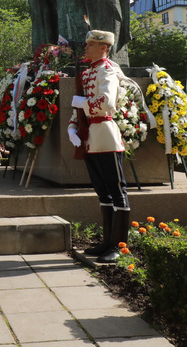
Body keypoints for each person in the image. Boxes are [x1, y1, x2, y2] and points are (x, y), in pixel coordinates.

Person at [66, 30, 131, 263]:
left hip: (105, 136)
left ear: (104, 47)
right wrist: (73, 127)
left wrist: (82, 103)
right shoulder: (89, 72)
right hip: (90, 138)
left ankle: (119, 244)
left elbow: (107, 103)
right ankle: (106, 241)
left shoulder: (107, 70)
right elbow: (80, 108)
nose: (86, 47)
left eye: (91, 44)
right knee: (102, 191)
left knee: (116, 190)